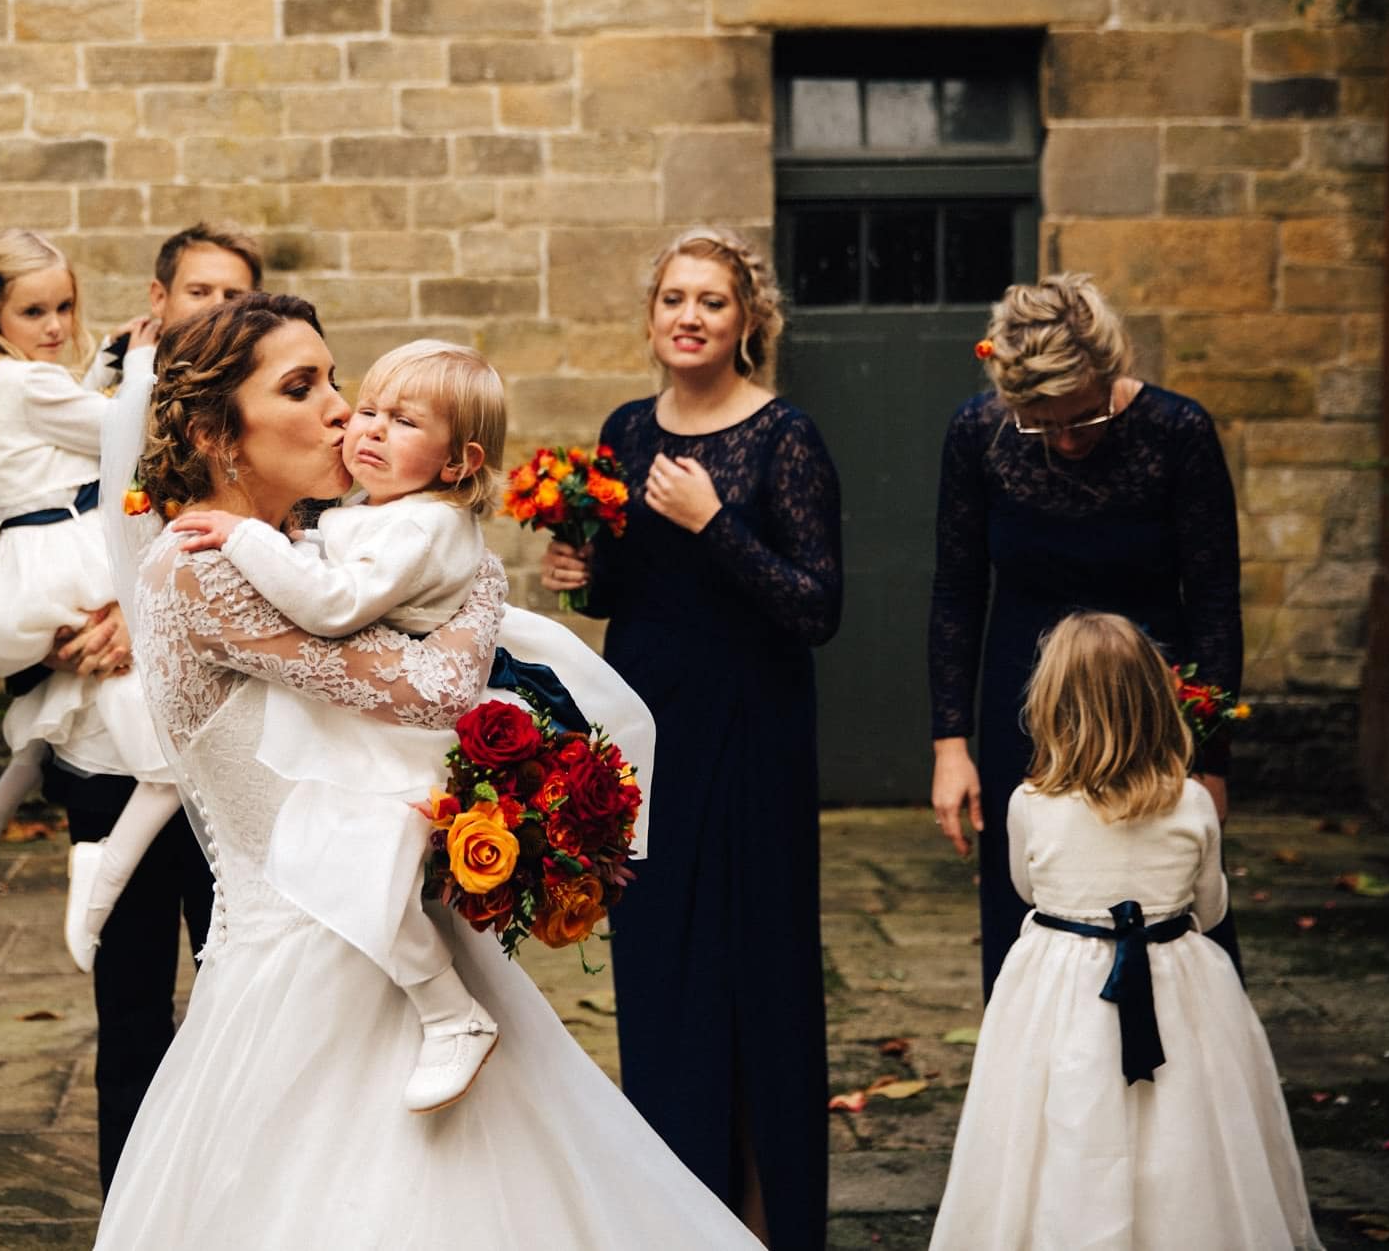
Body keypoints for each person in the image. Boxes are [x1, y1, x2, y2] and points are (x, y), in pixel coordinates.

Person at [91, 293, 761, 1249]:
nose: (341, 407)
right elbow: (436, 688)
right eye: (300, 387)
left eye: (334, 379)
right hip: (319, 948)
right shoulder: (203, 565)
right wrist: (482, 581)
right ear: (214, 432)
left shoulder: (300, 543)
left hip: (372, 916)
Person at [168, 338, 656, 1112]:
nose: (366, 427)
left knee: (363, 864)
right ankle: (444, 1008)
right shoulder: (383, 510)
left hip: (407, 737)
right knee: (352, 862)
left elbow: (331, 604)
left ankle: (448, 1012)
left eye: (401, 421)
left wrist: (250, 538)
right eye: (368, 409)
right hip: (377, 724)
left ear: (460, 462)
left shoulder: (423, 527)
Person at [540, 226, 842, 1248]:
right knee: (662, 970)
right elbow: (629, 591)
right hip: (646, 733)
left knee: (759, 974)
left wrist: (715, 520)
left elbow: (815, 608)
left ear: (745, 321)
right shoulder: (625, 429)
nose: (688, 316)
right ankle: (675, 1219)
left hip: (752, 735)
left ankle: (769, 1222)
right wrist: (583, 578)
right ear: (651, 315)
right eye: (673, 298)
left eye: (711, 301)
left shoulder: (784, 437)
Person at [929, 613, 1317, 1250]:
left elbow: (1027, 891)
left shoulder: (1028, 801)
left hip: (1060, 989)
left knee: (1065, 1120)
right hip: (1179, 986)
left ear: (1051, 705)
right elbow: (1211, 907)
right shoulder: (1193, 801)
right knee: (1187, 1124)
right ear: (1156, 701)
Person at [928, 273, 1244, 1000]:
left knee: (1169, 903)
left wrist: (1214, 757)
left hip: (1154, 709)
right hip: (1025, 703)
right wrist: (951, 743)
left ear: (1110, 372)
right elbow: (956, 589)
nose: (1067, 440)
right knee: (1029, 908)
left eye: (1085, 417)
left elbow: (1215, 600)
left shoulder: (1179, 433)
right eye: (1042, 422)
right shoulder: (977, 434)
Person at [25, 220, 260, 1190]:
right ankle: (134, 1204)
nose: (216, 310)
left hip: (229, 754)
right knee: (127, 1010)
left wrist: (152, 612)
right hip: (113, 751)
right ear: (158, 300)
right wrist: (62, 621)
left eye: (234, 295)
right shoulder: (88, 404)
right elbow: (28, 527)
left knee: (240, 996)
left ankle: (232, 1202)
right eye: (198, 291)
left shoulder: (270, 414)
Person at [0, 229, 175, 974]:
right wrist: (138, 364)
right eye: (34, 311)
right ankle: (97, 863)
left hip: (19, 559)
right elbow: (117, 429)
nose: (55, 327)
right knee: (152, 722)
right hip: (65, 550)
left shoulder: (4, 379)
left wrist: (100, 359)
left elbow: (68, 401)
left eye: (64, 307)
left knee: (77, 690)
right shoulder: (26, 384)